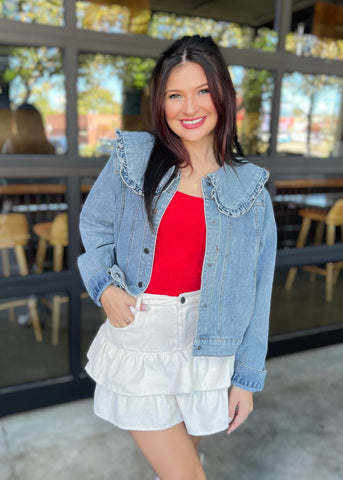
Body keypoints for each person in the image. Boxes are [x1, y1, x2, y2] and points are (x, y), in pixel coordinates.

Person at [78, 35, 277, 480]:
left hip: (210, 347)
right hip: (144, 337)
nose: (190, 107)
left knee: (180, 462)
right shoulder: (136, 158)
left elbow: (259, 288)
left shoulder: (250, 191)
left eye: (202, 91)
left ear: (223, 95)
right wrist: (104, 285)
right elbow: (94, 226)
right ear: (161, 103)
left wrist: (246, 377)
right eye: (175, 95)